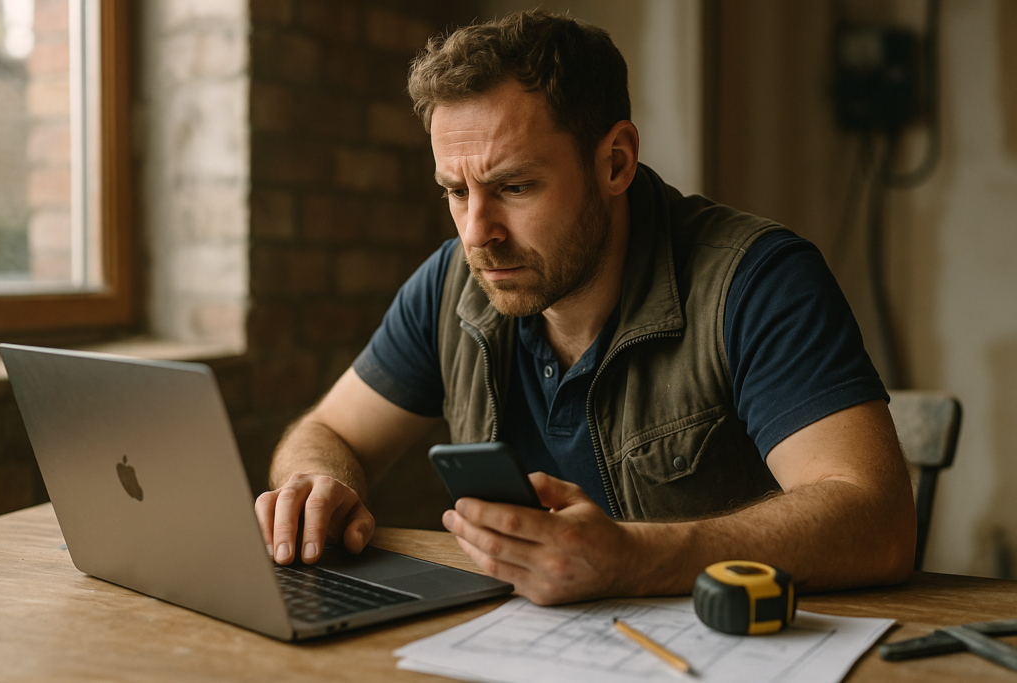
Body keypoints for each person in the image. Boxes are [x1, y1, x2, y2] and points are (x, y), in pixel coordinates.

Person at [254, 10, 916, 605]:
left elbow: (878, 521)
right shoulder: (452, 283)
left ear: (616, 162)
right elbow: (330, 431)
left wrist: (634, 557)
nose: (477, 232)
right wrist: (318, 482)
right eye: (455, 191)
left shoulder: (757, 280)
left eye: (514, 186)